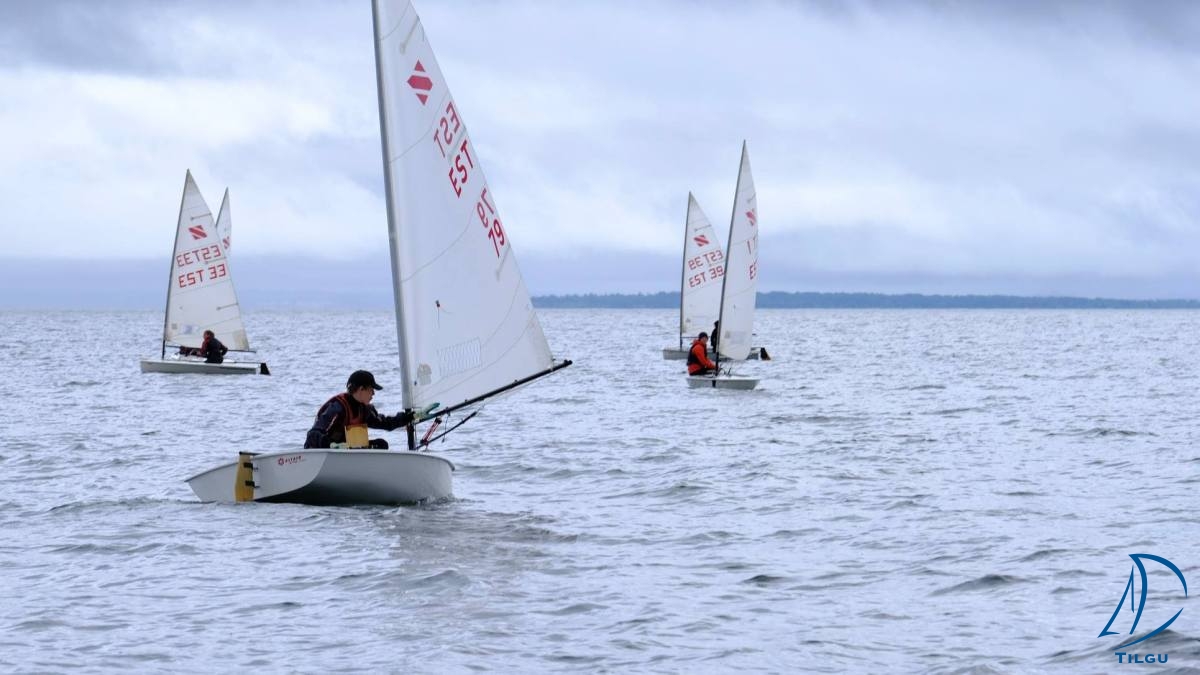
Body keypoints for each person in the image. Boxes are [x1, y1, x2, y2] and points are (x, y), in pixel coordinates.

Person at [304, 370, 414, 449]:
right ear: (361, 389)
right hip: (323, 452)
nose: (373, 393)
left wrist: (406, 418)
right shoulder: (337, 408)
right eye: (371, 389)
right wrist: (331, 445)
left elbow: (385, 423)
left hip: (346, 451)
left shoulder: (365, 410)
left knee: (381, 444)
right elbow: (312, 435)